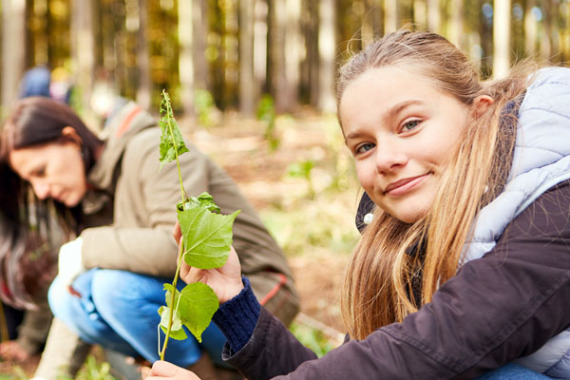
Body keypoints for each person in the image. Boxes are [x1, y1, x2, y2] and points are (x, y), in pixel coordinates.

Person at [145, 30, 570, 380]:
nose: (385, 159)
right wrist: (235, 302)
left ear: (479, 113)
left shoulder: (559, 194)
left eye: (410, 124)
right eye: (364, 146)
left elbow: (442, 345)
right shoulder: (406, 241)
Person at [0, 96, 300, 379]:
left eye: (41, 171)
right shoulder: (92, 195)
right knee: (65, 296)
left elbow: (183, 250)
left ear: (71, 139)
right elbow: (73, 297)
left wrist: (86, 247)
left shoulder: (155, 147)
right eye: (31, 182)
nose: (41, 191)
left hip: (254, 301)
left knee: (112, 288)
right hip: (195, 313)